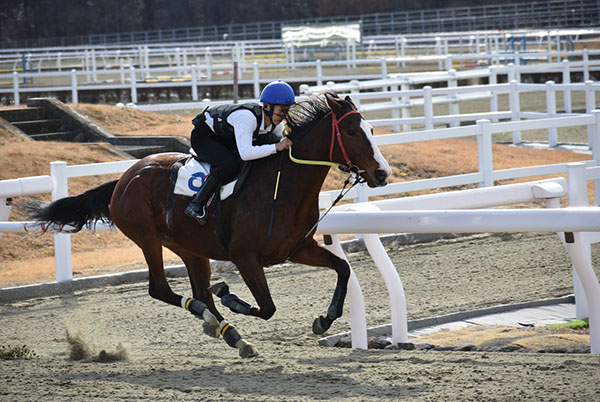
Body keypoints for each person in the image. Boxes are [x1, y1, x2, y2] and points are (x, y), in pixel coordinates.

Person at [184, 80, 295, 224]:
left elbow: (281, 143)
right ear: (267, 106)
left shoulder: (275, 125)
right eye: (281, 110)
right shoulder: (247, 117)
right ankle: (197, 204)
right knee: (229, 164)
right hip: (204, 137)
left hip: (225, 138)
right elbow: (246, 153)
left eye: (287, 110)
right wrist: (276, 147)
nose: (284, 116)